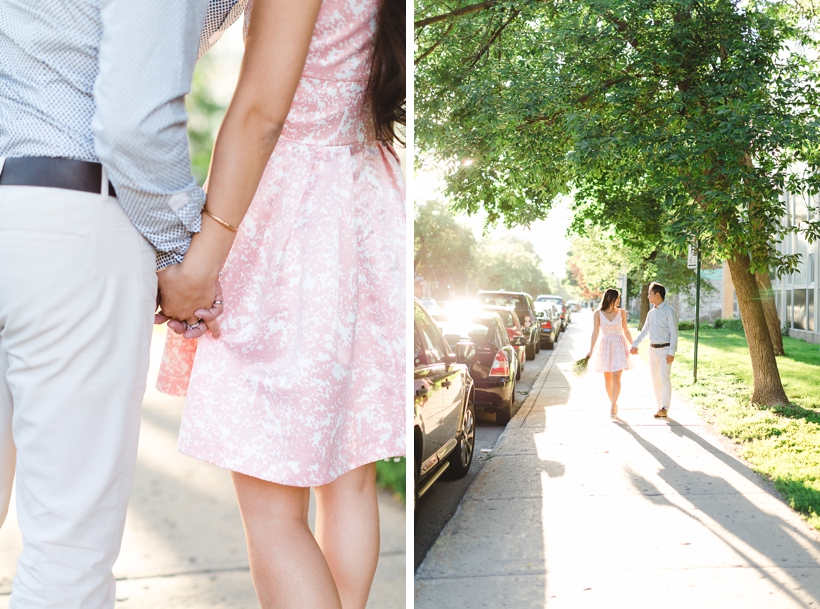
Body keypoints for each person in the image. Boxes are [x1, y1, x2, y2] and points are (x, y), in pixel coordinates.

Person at [156, 0, 406, 607]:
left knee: (273, 508)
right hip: (365, 201)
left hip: (292, 221)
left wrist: (202, 262)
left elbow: (261, 114)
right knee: (349, 481)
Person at [0, 1, 231, 607]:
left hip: (27, 205)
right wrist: (180, 256)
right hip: (69, 223)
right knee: (68, 549)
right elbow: (134, 122)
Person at [630, 282, 678, 418]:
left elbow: (674, 333)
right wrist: (635, 344)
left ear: (657, 295)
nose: (648, 296)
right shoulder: (651, 313)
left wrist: (671, 352)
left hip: (665, 350)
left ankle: (665, 407)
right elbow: (645, 330)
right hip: (652, 350)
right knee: (655, 380)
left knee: (664, 378)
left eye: (650, 294)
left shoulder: (670, 311)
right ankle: (659, 406)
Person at [586, 289, 634, 417]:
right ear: (610, 298)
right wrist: (590, 349)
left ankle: (613, 405)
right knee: (607, 377)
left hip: (619, 345)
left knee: (616, 376)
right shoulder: (598, 313)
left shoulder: (622, 313)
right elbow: (595, 332)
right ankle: (612, 402)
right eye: (617, 298)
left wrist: (633, 344)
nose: (619, 300)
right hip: (605, 346)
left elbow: (626, 331)